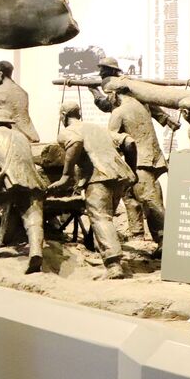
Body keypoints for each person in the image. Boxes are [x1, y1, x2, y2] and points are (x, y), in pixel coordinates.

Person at [49, 102, 137, 279]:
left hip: (99, 176)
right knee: (107, 218)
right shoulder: (98, 128)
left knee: (100, 218)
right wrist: (132, 170)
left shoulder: (68, 131)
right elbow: (129, 142)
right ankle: (104, 255)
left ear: (63, 116)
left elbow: (76, 142)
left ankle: (113, 266)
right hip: (119, 176)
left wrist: (65, 176)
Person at [0, 109, 48, 274]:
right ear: (9, 123)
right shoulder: (22, 137)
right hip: (31, 181)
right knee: (33, 218)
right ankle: (36, 252)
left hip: (7, 181)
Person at [105, 84, 167, 258]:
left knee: (150, 201)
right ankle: (138, 233)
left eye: (108, 95)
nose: (108, 99)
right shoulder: (142, 106)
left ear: (114, 94)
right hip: (151, 159)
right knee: (132, 195)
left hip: (141, 161)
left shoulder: (119, 111)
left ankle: (165, 242)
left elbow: (112, 140)